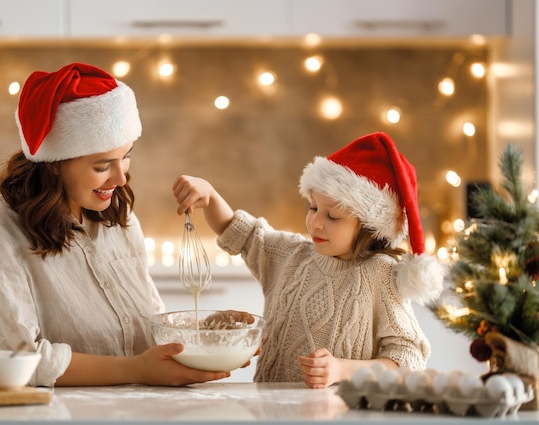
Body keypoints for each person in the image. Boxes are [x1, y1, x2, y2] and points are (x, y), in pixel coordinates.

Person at [0, 62, 232, 387]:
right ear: (55, 164)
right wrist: (138, 369)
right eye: (102, 166)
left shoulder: (121, 219)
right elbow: (14, 359)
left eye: (126, 155)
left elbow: (147, 332)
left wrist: (219, 334)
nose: (121, 177)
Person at [172, 132, 445, 389]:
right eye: (313, 207)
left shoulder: (381, 275)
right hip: (271, 412)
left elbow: (409, 359)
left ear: (369, 227)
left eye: (333, 216)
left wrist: (341, 370)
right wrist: (209, 196)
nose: (315, 222)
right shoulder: (290, 254)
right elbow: (238, 231)